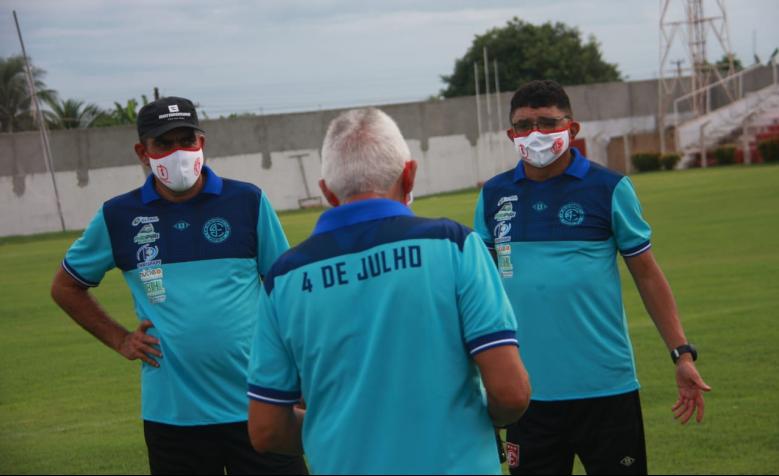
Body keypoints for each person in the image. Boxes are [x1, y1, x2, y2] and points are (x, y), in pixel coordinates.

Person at [245, 107, 531, 474]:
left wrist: (338, 430)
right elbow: (511, 393)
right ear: (409, 175)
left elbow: (266, 429)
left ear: (327, 192)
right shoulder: (455, 245)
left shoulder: (284, 277)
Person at [50, 96, 307, 475]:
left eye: (188, 140)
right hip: (173, 417)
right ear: (143, 152)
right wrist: (121, 339)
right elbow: (65, 287)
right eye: (164, 143)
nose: (179, 152)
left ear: (201, 143)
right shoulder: (119, 216)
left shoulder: (247, 201)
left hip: (261, 403)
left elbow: (287, 289)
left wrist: (297, 375)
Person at [474, 80, 711, 475]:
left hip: (606, 390)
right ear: (511, 135)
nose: (536, 134)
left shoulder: (610, 188)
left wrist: (681, 353)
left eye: (548, 123)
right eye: (525, 124)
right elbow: (481, 291)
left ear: (572, 128)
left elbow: (648, 275)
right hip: (526, 394)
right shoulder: (494, 195)